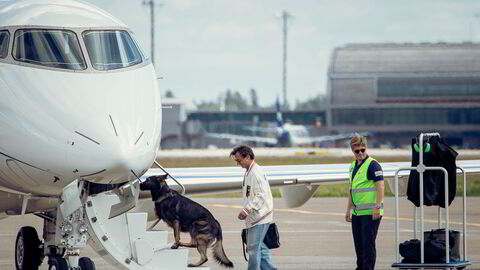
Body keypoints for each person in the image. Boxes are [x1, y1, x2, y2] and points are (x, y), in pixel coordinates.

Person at [230, 145, 277, 270]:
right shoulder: (250, 171)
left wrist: (247, 209)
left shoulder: (256, 173)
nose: (238, 164)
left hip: (260, 218)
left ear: (248, 157)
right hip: (257, 217)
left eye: (239, 161)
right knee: (260, 248)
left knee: (253, 250)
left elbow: (261, 195)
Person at [345, 133, 384, 270]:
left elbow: (380, 186)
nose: (361, 153)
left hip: (371, 213)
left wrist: (377, 207)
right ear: (352, 150)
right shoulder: (352, 167)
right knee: (359, 247)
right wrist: (348, 209)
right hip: (357, 213)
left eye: (363, 149)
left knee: (368, 246)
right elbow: (352, 189)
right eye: (357, 151)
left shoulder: (373, 165)